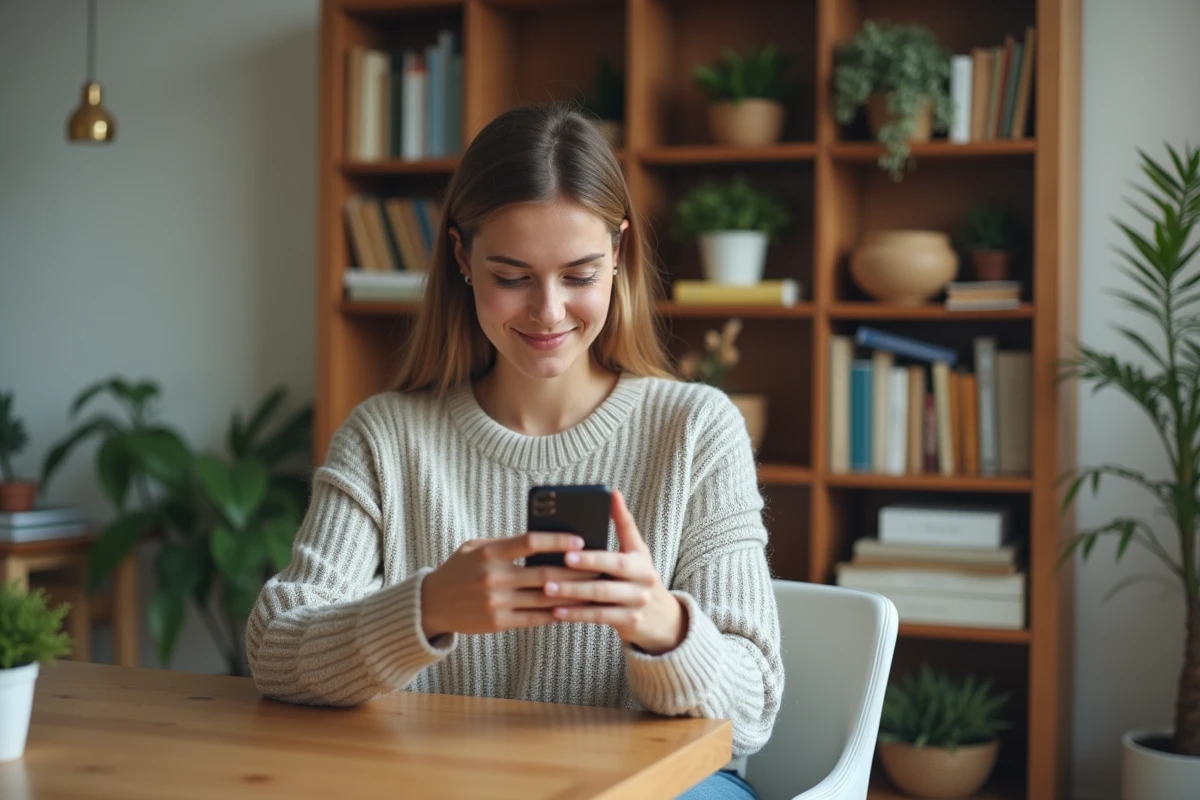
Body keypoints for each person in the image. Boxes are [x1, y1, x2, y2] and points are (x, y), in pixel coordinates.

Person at [245, 102, 784, 799]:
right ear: (463, 258)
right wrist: (427, 608)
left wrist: (661, 624)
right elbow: (276, 651)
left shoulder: (697, 430)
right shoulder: (386, 437)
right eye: (513, 276)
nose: (549, 311)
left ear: (618, 255)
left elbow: (752, 716)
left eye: (580, 275)